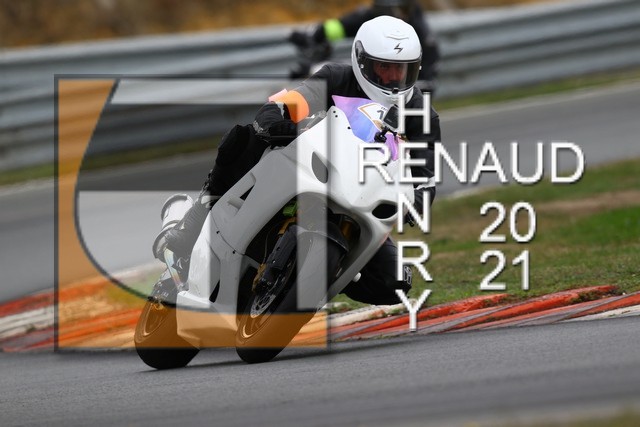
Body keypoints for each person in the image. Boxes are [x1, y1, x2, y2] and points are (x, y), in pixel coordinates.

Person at [157, 16, 441, 305]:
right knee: (243, 137)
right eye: (384, 68)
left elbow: (426, 176)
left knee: (393, 282)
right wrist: (276, 119)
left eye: (402, 70)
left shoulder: (421, 113)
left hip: (363, 198)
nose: (393, 78)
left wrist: (416, 200)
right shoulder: (336, 77)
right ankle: (200, 212)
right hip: (312, 168)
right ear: (362, 61)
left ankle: (323, 275)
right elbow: (290, 102)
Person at [289, 0, 440, 93]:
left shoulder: (420, 34)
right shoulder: (370, 18)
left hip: (400, 95)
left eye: (404, 10)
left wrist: (416, 86)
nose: (401, 15)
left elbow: (428, 78)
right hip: (368, 93)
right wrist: (315, 34)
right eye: (399, 10)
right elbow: (341, 26)